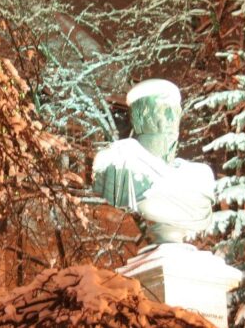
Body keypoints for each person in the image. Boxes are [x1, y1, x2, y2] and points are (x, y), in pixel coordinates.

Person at [92, 79, 215, 244]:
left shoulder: (199, 176)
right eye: (164, 110)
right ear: (140, 118)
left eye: (175, 111)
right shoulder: (118, 162)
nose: (172, 118)